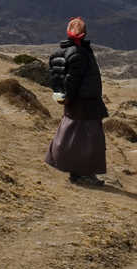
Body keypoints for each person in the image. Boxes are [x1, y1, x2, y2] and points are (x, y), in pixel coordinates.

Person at [44, 17, 108, 186]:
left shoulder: (65, 51)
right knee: (89, 140)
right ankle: (83, 174)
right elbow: (73, 80)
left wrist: (65, 99)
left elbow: (65, 80)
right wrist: (71, 97)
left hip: (75, 103)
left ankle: (75, 170)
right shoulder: (79, 53)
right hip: (85, 103)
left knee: (72, 137)